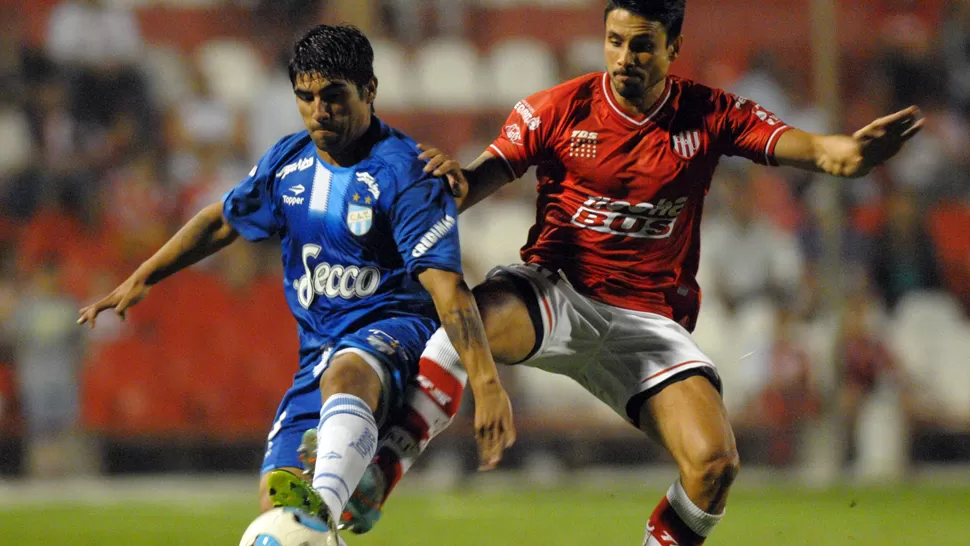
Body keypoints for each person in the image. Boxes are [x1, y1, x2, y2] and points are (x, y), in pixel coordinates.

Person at [335, 1, 924, 543]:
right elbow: (478, 179)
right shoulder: (558, 109)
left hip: (647, 325)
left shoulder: (709, 112)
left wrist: (852, 153)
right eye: (614, 41)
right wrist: (449, 185)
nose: (624, 58)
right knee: (462, 331)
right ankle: (380, 473)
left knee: (715, 466)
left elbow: (819, 150)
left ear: (673, 47)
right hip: (557, 293)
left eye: (641, 46)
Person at [76, 24, 515, 543]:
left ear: (369, 90)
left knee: (346, 378)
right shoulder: (288, 163)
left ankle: (328, 510)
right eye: (305, 97)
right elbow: (221, 220)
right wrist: (143, 277)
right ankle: (338, 503)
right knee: (272, 514)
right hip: (318, 358)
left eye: (333, 96)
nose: (318, 111)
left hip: (396, 337)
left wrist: (486, 384)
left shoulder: (406, 172)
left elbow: (448, 288)